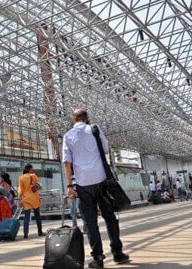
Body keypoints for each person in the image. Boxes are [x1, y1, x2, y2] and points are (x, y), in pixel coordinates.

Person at [62, 109, 129, 268]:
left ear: (74, 120)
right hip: (102, 181)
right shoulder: (95, 129)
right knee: (110, 218)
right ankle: (117, 253)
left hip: (83, 184)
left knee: (90, 223)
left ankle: (98, 259)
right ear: (86, 119)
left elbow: (67, 163)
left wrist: (70, 186)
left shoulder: (68, 136)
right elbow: (105, 150)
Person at [18, 163, 45, 239]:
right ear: (29, 169)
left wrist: (20, 198)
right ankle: (40, 232)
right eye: (32, 169)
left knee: (27, 216)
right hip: (34, 198)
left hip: (26, 198)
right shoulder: (33, 176)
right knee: (37, 216)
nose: (32, 170)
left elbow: (20, 190)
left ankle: (25, 233)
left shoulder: (21, 178)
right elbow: (39, 185)